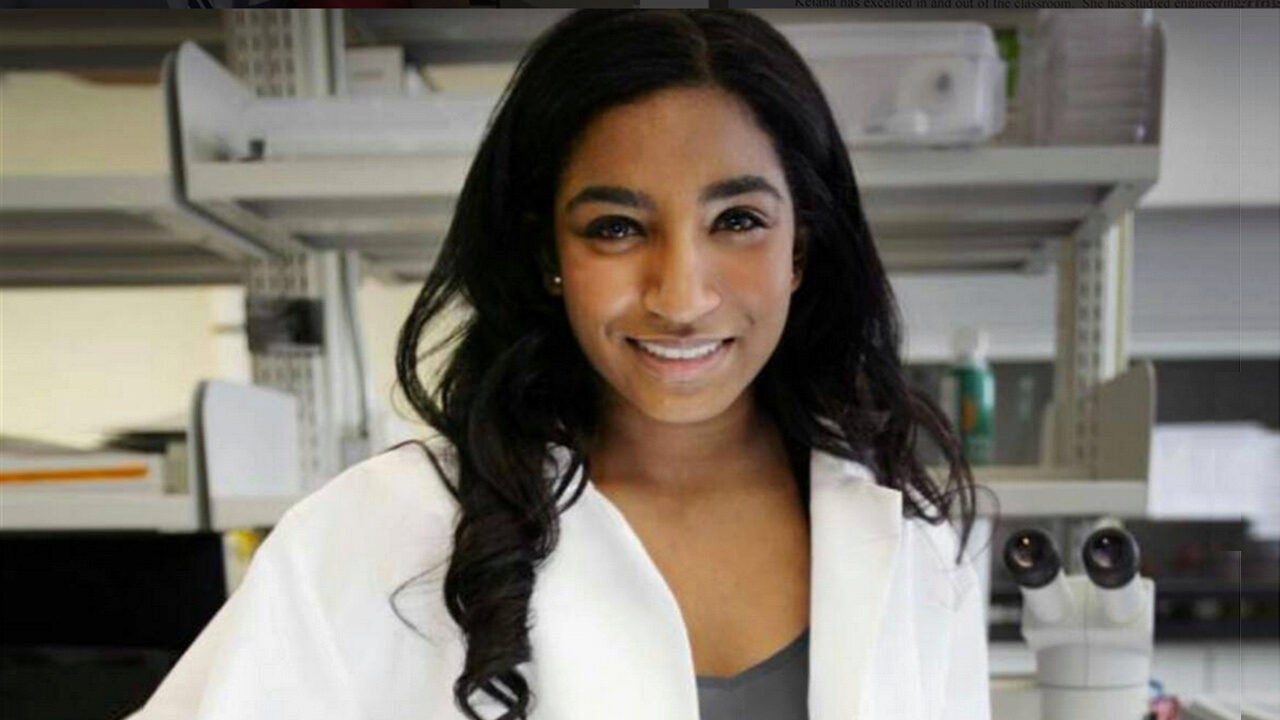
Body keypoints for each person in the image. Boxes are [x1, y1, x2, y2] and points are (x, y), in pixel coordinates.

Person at [129, 9, 990, 720]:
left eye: (737, 221)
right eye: (616, 227)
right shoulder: (377, 533)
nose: (681, 296)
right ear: (550, 253)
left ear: (802, 246)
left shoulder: (911, 525)